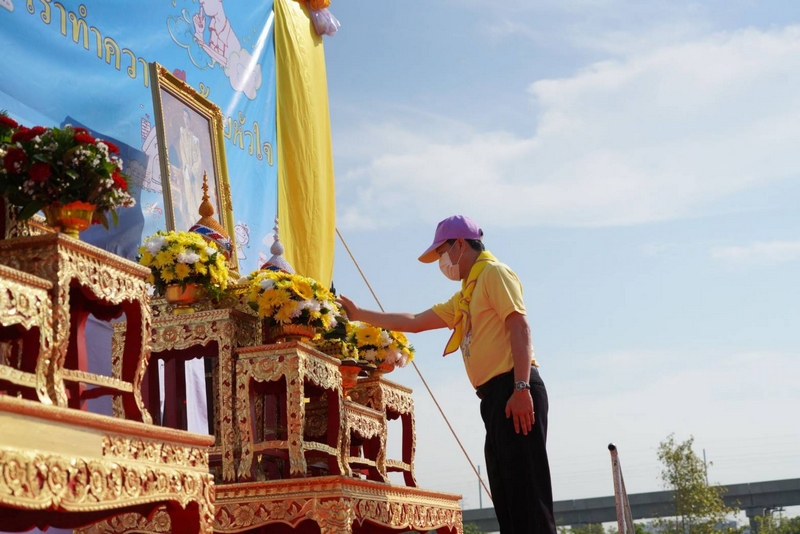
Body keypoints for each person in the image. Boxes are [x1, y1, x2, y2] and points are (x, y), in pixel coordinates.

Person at [337, 215, 556, 534]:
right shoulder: (466, 295)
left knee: (527, 495)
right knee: (508, 497)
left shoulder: (494, 274)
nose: (443, 261)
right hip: (495, 397)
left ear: (461, 245)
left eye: (443, 252)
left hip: (514, 387)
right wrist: (359, 314)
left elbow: (519, 327)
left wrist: (521, 388)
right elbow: (415, 321)